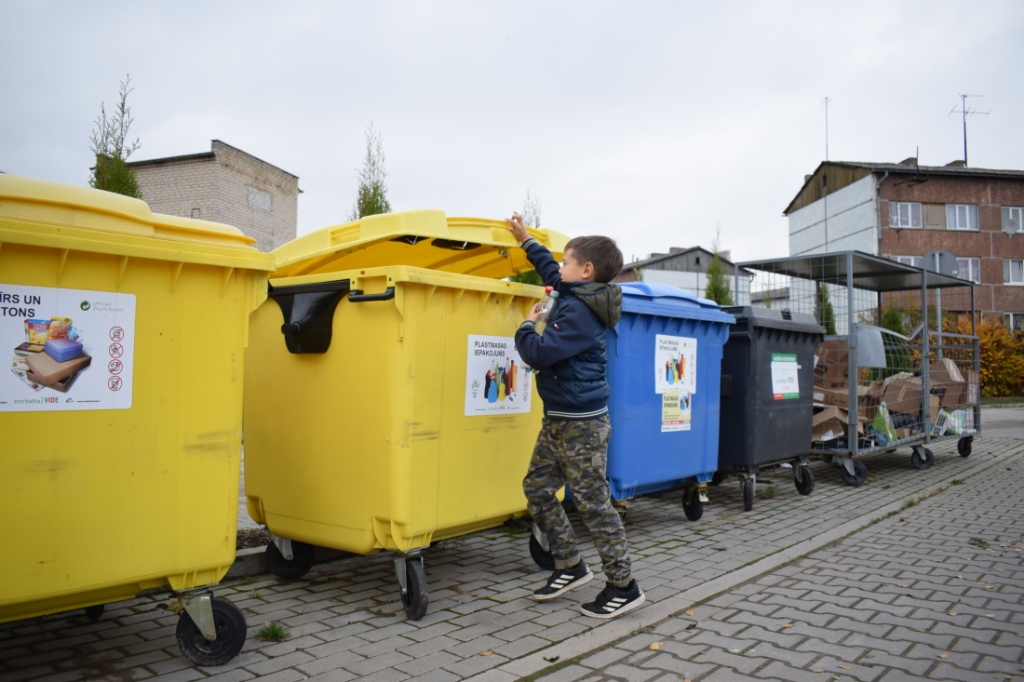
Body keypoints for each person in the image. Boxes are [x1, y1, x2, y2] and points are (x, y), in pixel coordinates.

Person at [505, 211, 645, 619]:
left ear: (585, 271)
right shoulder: (575, 291)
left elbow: (538, 353)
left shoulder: (582, 313)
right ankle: (570, 564)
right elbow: (551, 270)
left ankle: (624, 585)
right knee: (538, 488)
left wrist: (526, 326)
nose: (559, 267)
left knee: (592, 503)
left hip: (583, 425)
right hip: (559, 419)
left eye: (567, 261)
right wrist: (525, 239)